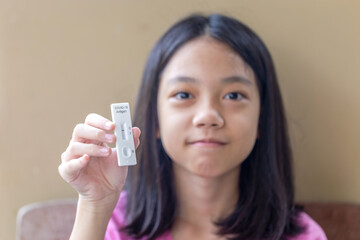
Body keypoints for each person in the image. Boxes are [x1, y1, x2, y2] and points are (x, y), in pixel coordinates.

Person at [59, 13, 327, 240]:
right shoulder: (110, 226)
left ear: (262, 119)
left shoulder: (303, 235)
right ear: (155, 119)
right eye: (184, 95)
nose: (208, 116)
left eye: (234, 96)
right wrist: (94, 206)